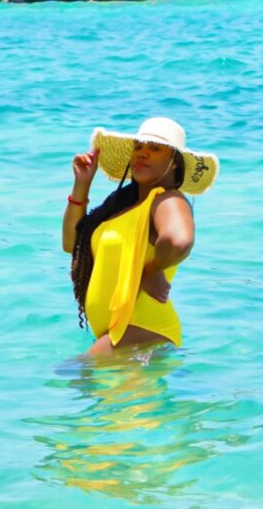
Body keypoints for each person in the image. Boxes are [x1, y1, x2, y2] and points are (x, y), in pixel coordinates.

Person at [62, 117, 219, 356]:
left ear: (174, 163)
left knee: (71, 380)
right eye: (139, 147)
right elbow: (71, 244)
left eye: (154, 148)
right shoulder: (125, 207)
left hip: (143, 329)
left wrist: (150, 270)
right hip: (123, 334)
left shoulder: (166, 199)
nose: (142, 153)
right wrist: (82, 184)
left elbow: (179, 241)